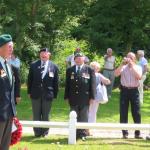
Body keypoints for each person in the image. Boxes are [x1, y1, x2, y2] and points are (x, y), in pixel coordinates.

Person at [27, 48, 59, 137]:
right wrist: (29, 92)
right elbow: (30, 80)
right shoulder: (33, 65)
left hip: (48, 94)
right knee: (36, 114)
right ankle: (37, 132)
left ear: (49, 55)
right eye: (42, 53)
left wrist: (55, 95)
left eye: (45, 53)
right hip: (35, 93)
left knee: (46, 115)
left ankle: (45, 132)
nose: (43, 55)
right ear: (39, 55)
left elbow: (56, 82)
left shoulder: (54, 66)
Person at [64, 52, 96, 141]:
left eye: (80, 58)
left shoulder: (89, 69)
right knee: (74, 115)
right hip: (73, 97)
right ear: (74, 60)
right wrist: (66, 97)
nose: (78, 59)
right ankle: (74, 133)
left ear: (84, 59)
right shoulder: (70, 70)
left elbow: (92, 85)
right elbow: (68, 85)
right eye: (77, 58)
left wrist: (92, 97)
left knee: (84, 116)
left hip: (85, 97)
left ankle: (83, 134)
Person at [114, 52, 142, 139]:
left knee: (136, 112)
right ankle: (124, 133)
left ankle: (137, 133)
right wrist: (122, 64)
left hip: (134, 91)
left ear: (134, 59)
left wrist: (132, 67)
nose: (129, 59)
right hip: (124, 91)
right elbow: (116, 74)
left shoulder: (138, 67)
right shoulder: (123, 67)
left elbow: (139, 77)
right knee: (123, 112)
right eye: (128, 57)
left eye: (131, 58)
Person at [0, 34, 17, 149]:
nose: (12, 49)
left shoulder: (9, 65)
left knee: (5, 145)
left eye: (12, 47)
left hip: (8, 113)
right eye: (9, 46)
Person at [88, 62, 110, 133]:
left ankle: (88, 128)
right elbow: (107, 82)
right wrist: (107, 80)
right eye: (95, 68)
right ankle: (89, 128)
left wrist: (106, 81)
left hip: (91, 96)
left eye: (97, 68)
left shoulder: (90, 74)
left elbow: (107, 81)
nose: (96, 69)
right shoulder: (98, 75)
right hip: (93, 96)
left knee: (90, 112)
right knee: (92, 112)